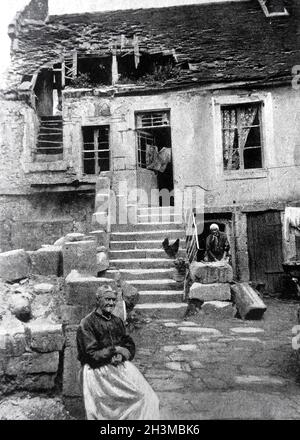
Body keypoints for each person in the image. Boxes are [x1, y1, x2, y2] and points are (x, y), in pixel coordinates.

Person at [76, 284, 160, 420]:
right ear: (98, 300)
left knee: (148, 397)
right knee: (111, 410)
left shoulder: (117, 321)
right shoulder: (87, 323)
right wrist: (114, 351)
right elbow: (90, 355)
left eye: (113, 300)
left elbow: (129, 343)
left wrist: (122, 354)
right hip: (97, 371)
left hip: (119, 365)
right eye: (107, 299)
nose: (111, 303)